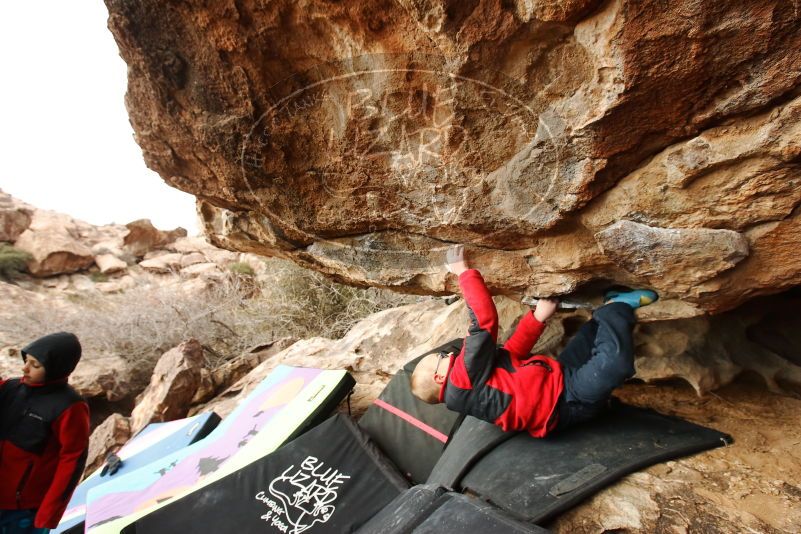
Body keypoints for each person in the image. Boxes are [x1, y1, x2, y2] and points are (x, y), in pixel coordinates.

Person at [410, 245, 657, 437]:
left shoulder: (471, 383)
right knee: (614, 364)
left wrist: (537, 318)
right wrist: (463, 273)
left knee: (588, 337)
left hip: (557, 379)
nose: (449, 355)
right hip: (565, 403)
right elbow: (484, 322)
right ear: (440, 378)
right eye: (441, 358)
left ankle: (608, 309)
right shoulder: (461, 381)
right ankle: (617, 306)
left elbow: (510, 355)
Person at [0, 332, 90, 534]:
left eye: (35, 365)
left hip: (26, 509)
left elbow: (72, 460)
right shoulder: (10, 388)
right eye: (26, 361)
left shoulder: (70, 406)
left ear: (55, 368)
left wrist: (50, 512)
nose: (25, 368)